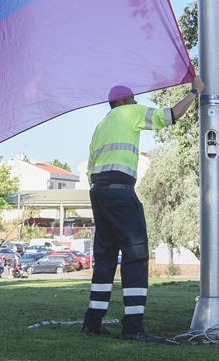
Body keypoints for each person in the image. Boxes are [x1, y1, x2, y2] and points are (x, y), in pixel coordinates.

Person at [80, 75, 205, 343]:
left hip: (98, 193)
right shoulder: (129, 112)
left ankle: (92, 322)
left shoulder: (101, 126)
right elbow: (171, 116)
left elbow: (90, 168)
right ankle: (133, 327)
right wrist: (194, 92)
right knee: (136, 255)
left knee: (105, 258)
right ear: (123, 101)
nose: (137, 101)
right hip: (121, 192)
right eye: (133, 98)